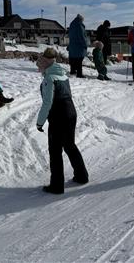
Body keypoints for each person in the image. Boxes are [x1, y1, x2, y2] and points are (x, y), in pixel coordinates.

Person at [35, 47, 88, 194]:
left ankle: (57, 186)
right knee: (70, 145)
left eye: (39, 66)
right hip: (71, 112)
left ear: (45, 64)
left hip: (58, 115)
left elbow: (47, 103)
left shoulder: (49, 79)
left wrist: (40, 122)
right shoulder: (63, 75)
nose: (39, 70)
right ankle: (82, 176)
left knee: (55, 150)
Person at [67, 14, 89, 78]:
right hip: (79, 45)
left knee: (73, 58)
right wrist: (85, 44)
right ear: (81, 19)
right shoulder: (79, 25)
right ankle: (79, 74)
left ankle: (72, 70)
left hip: (72, 45)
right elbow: (82, 36)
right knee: (79, 60)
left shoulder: (72, 25)